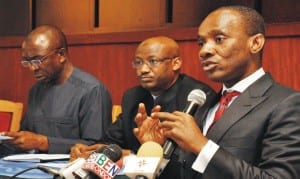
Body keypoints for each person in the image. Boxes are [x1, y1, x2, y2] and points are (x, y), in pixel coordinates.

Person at [135, 5, 300, 179]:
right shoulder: (204, 103)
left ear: (255, 43)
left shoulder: (287, 103)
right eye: (201, 43)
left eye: (219, 39)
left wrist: (202, 146)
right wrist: (158, 150)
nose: (204, 51)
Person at [70, 36, 217, 178]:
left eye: (152, 61)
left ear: (176, 63)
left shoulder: (195, 98)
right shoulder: (133, 96)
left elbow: (190, 158)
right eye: (138, 62)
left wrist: (132, 155)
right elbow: (112, 140)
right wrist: (95, 150)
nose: (143, 70)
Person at [0, 25, 112, 155]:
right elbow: (26, 138)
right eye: (27, 62)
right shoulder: (36, 90)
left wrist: (44, 143)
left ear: (61, 55)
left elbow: (97, 147)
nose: (32, 68)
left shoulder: (92, 90)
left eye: (38, 60)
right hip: (31, 167)